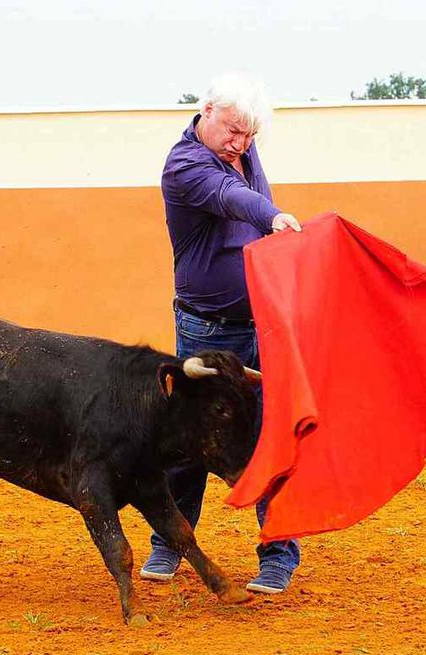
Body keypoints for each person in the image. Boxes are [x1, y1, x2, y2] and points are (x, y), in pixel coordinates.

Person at [140, 73, 302, 594]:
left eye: (250, 137)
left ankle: (278, 554)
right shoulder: (184, 164)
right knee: (190, 439)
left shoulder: (241, 149)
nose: (241, 144)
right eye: (233, 131)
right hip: (205, 326)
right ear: (205, 110)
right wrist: (273, 214)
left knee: (271, 436)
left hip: (264, 323)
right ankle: (169, 542)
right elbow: (233, 198)